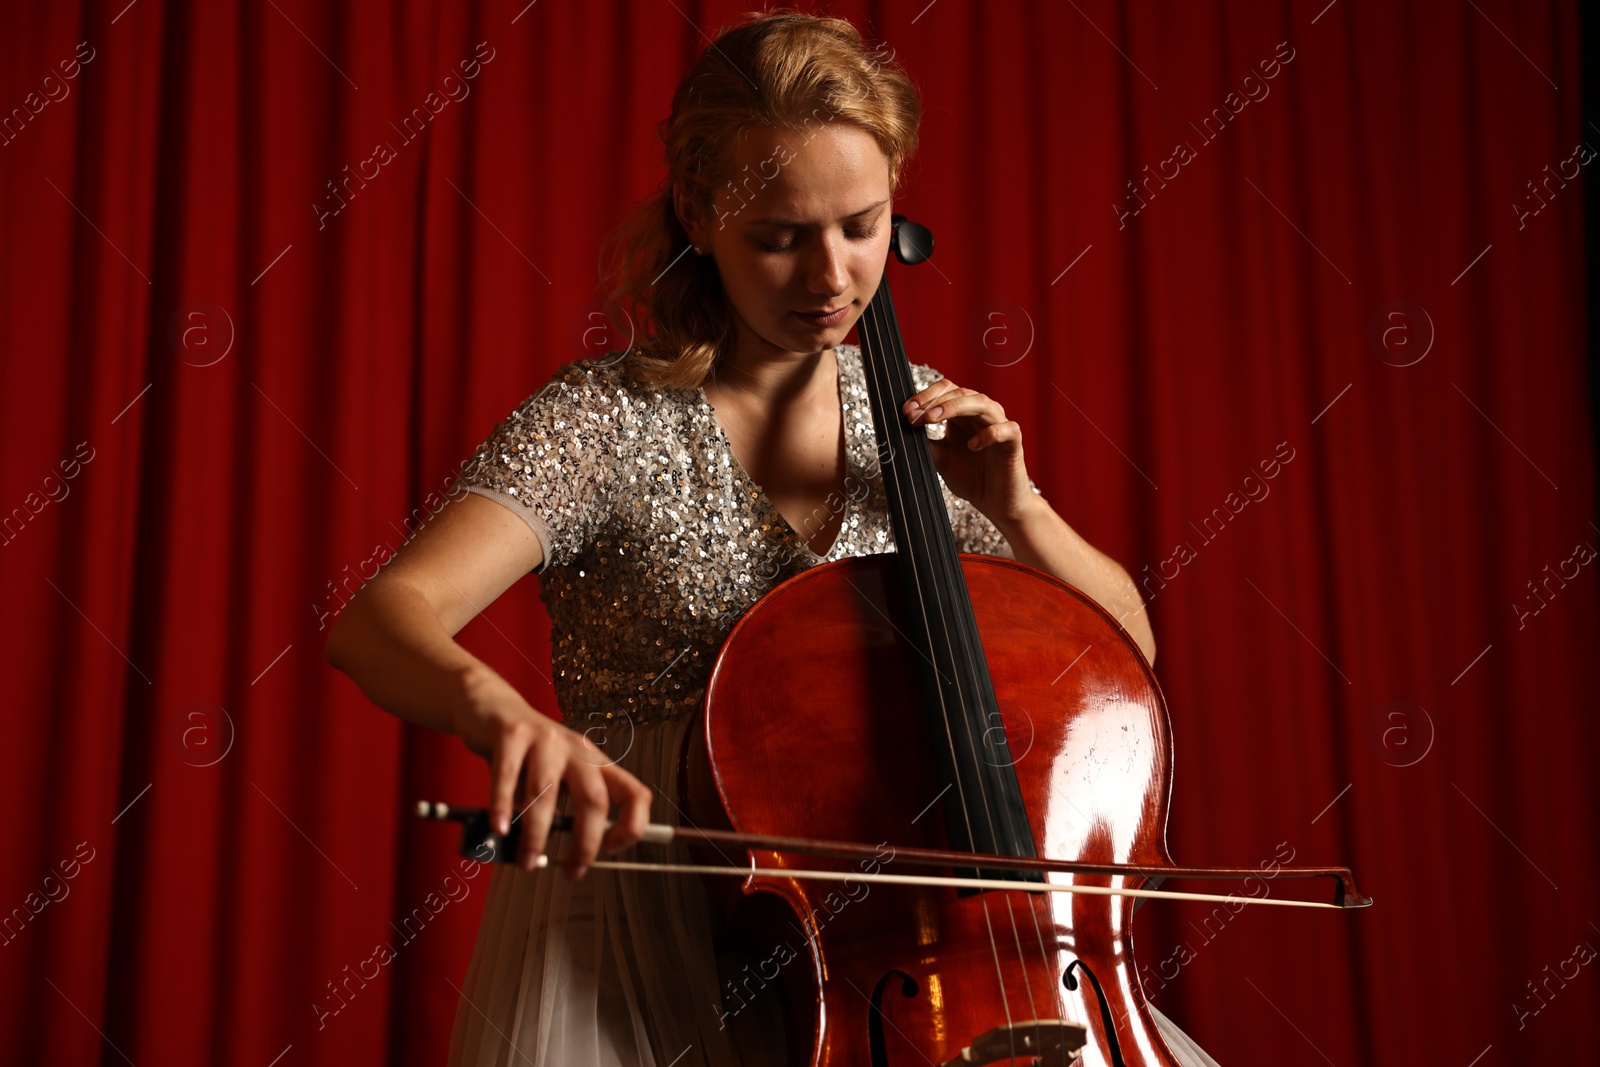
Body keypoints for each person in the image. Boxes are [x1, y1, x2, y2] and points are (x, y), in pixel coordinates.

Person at [325, 10, 1216, 1067]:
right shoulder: (603, 422)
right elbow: (381, 621)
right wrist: (500, 710)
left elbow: (1124, 659)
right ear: (702, 215)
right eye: (780, 236)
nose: (831, 277)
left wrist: (1018, 508)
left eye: (861, 225)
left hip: (888, 943)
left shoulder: (922, 414)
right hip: (640, 931)